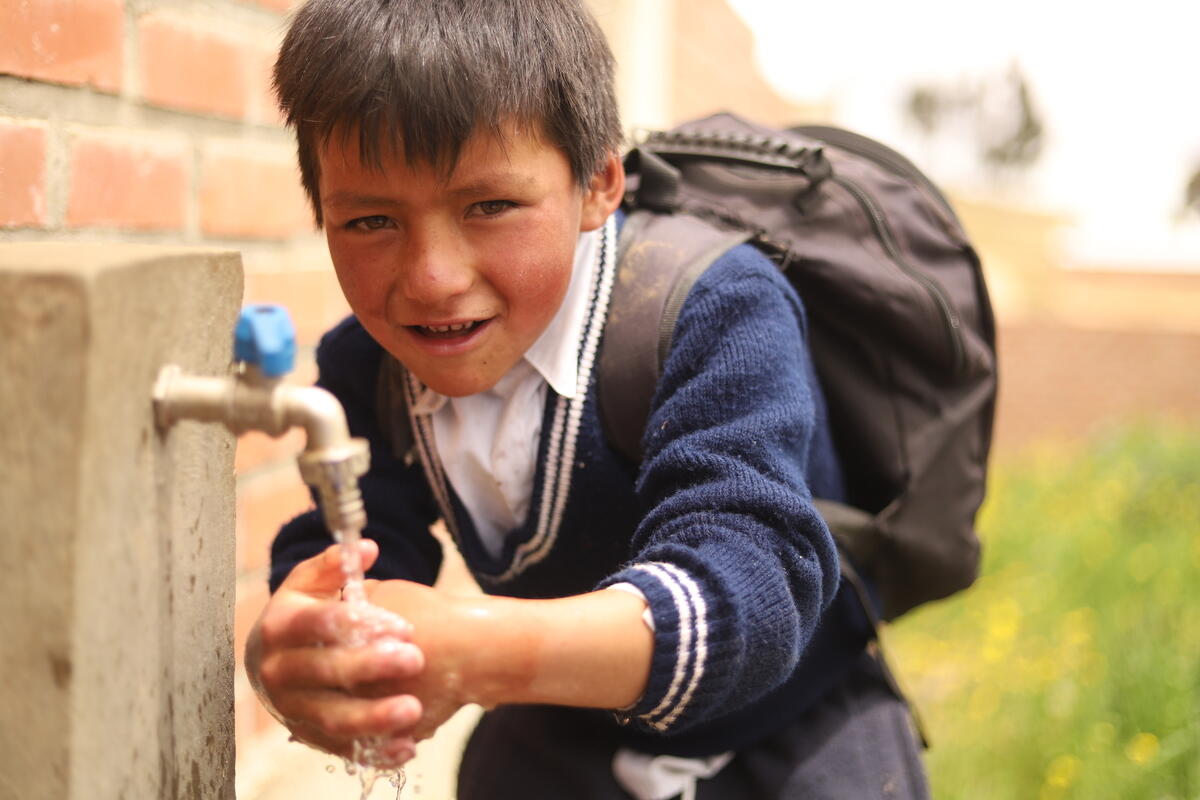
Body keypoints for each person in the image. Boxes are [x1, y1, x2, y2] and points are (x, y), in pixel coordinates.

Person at [245, 0, 931, 797]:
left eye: (490, 206)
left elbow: (753, 573)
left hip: (793, 735)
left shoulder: (712, 309)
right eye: (370, 220)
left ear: (600, 182)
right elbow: (358, 543)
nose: (432, 278)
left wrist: (479, 649)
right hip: (565, 734)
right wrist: (300, 648)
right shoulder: (370, 366)